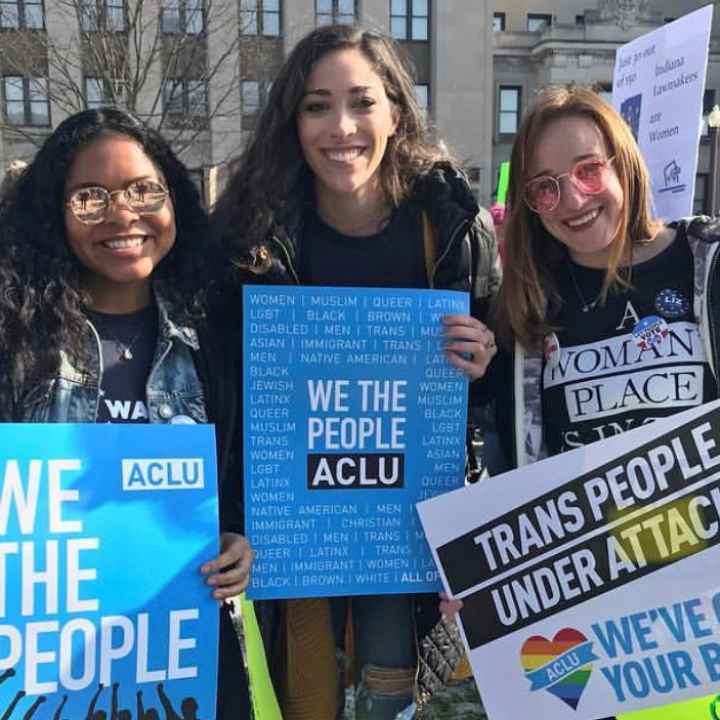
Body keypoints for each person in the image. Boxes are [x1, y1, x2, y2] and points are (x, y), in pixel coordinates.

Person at [211, 22, 501, 720]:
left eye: (362, 102)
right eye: (316, 105)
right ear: (292, 121)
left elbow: (492, 396)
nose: (341, 126)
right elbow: (221, 395)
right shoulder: (248, 237)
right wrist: (229, 521)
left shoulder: (455, 227)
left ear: (396, 111)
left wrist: (483, 357)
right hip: (291, 534)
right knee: (305, 695)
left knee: (393, 696)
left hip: (412, 532)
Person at [0, 107, 252, 720]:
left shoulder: (215, 334)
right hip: (45, 662)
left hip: (177, 646)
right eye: (91, 198)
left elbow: (239, 470)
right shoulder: (15, 335)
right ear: (55, 214)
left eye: (145, 190)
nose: (123, 215)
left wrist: (240, 539)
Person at [488, 83, 720, 720]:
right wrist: (483, 580)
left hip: (700, 598)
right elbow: (510, 463)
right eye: (545, 186)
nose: (574, 199)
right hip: (589, 602)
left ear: (624, 162)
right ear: (531, 206)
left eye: (589, 169)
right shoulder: (527, 306)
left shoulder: (707, 270)